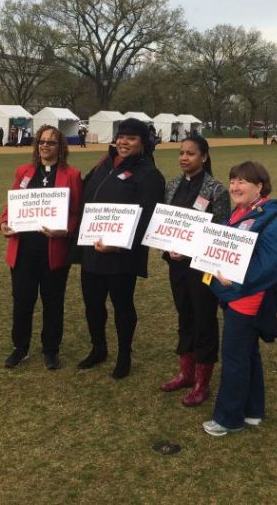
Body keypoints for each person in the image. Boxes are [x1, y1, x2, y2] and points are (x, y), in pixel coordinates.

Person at [202, 161, 277, 437]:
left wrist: (235, 280)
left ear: (259, 186)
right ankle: (252, 410)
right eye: (233, 180)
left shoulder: (273, 219)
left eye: (242, 182)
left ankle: (228, 418)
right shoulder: (240, 212)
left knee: (235, 357)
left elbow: (269, 267)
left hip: (247, 298)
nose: (235, 186)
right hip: (233, 294)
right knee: (248, 354)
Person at [76, 118, 165, 379]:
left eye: (131, 138)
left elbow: (149, 216)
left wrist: (120, 245)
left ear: (143, 143)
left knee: (122, 306)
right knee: (92, 304)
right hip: (93, 248)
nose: (124, 142)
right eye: (121, 136)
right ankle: (98, 348)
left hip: (121, 255)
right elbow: (84, 192)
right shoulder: (104, 163)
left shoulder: (149, 174)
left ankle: (124, 354)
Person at [0, 126, 83, 370]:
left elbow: (76, 212)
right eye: (42, 141)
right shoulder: (23, 172)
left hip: (53, 250)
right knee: (22, 301)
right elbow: (13, 203)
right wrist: (4, 222)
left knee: (53, 302)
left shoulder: (72, 175)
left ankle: (51, 349)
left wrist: (65, 230)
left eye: (51, 142)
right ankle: (20, 347)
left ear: (61, 147)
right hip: (23, 248)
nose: (45, 146)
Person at [160, 135, 230, 406]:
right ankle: (185, 373)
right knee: (184, 316)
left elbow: (220, 231)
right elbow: (165, 221)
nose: (184, 157)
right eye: (181, 152)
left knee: (204, 319)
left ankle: (202, 381)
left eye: (190, 153)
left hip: (202, 268)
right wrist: (169, 248)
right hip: (176, 266)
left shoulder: (216, 189)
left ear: (203, 156)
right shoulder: (173, 185)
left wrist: (191, 250)